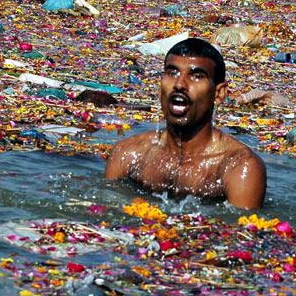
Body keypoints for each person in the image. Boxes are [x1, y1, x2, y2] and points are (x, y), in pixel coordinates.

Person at [105, 38, 266, 209]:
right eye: (172, 73)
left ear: (219, 93)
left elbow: (241, 231)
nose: (180, 84)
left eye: (197, 76)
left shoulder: (239, 167)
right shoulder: (128, 153)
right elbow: (105, 212)